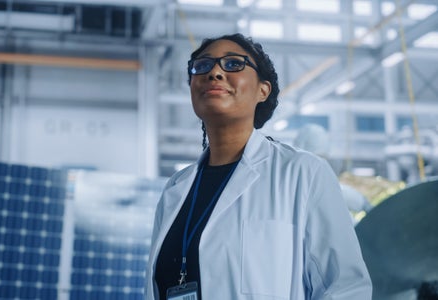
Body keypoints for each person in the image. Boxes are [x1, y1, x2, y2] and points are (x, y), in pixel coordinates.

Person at [145, 33, 372, 299]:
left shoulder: (302, 173)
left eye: (233, 64)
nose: (215, 71)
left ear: (263, 90)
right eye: (202, 65)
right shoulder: (176, 189)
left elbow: (345, 288)